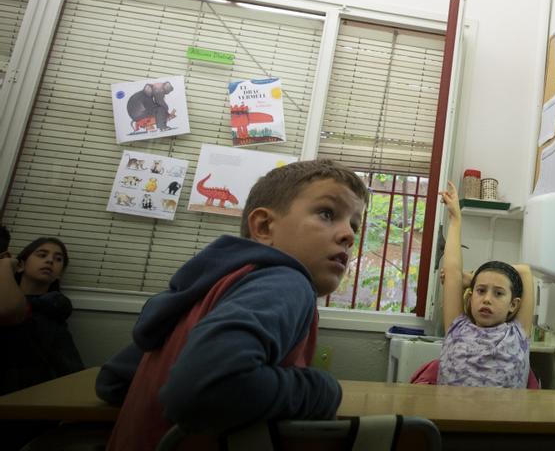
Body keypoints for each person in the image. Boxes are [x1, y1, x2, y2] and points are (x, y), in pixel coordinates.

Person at [96, 159, 368, 451]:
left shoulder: (207, 290)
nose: (349, 235)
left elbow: (113, 381)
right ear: (264, 226)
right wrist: (323, 390)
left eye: (354, 225)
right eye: (327, 214)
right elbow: (206, 389)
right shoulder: (285, 281)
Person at [436, 180, 534, 387]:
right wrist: (455, 218)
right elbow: (452, 271)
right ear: (471, 297)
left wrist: (473, 279)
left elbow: (525, 272)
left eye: (498, 293)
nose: (487, 299)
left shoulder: (518, 332)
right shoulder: (457, 327)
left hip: (501, 419)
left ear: (513, 305)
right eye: (481, 291)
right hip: (453, 417)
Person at [0, 237, 85, 395]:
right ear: (21, 265)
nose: (50, 261)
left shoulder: (55, 308)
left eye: (58, 259)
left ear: (60, 274)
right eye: (42, 255)